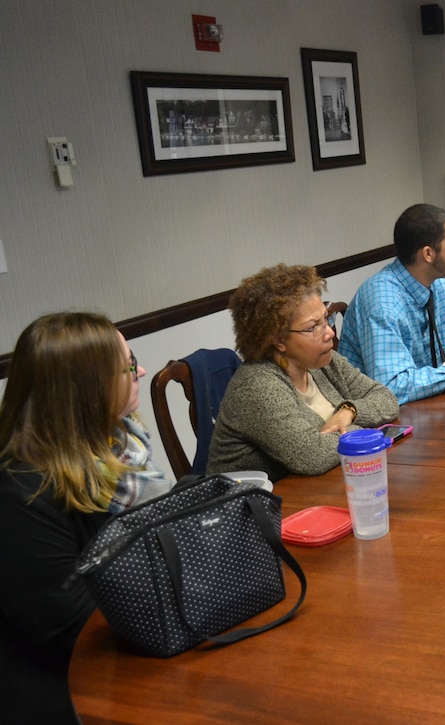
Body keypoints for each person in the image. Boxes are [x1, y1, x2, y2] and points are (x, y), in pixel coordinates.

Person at [0, 312, 173, 724]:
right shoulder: (20, 493)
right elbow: (74, 627)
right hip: (70, 689)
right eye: (129, 365)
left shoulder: (118, 443)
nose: (141, 370)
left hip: (138, 650)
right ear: (87, 389)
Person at [207, 264, 399, 481]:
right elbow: (313, 456)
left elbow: (387, 399)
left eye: (326, 319)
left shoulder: (324, 362)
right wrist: (368, 431)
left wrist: (349, 411)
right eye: (312, 327)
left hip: (319, 488)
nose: (329, 332)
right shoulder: (257, 386)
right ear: (278, 340)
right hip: (252, 507)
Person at [339, 203, 445, 404]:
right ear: (428, 254)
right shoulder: (383, 304)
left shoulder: (438, 285)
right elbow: (394, 388)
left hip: (430, 408)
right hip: (380, 424)